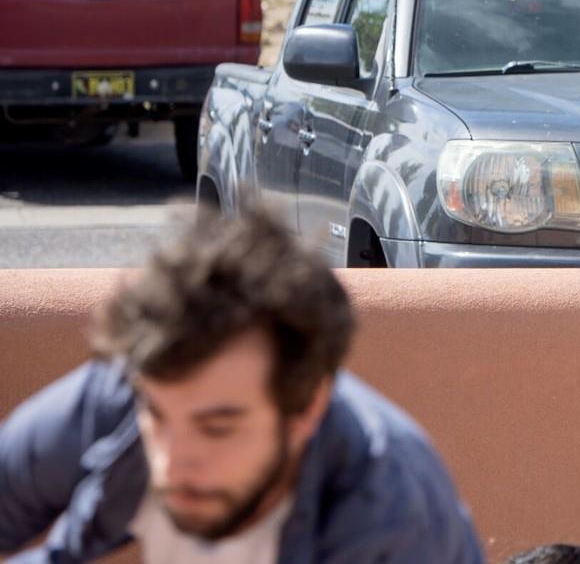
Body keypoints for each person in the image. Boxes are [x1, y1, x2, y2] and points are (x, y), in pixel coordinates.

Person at [0, 205, 484, 563]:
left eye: (218, 427)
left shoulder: (394, 514)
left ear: (307, 410)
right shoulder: (118, 397)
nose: (173, 463)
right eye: (157, 417)